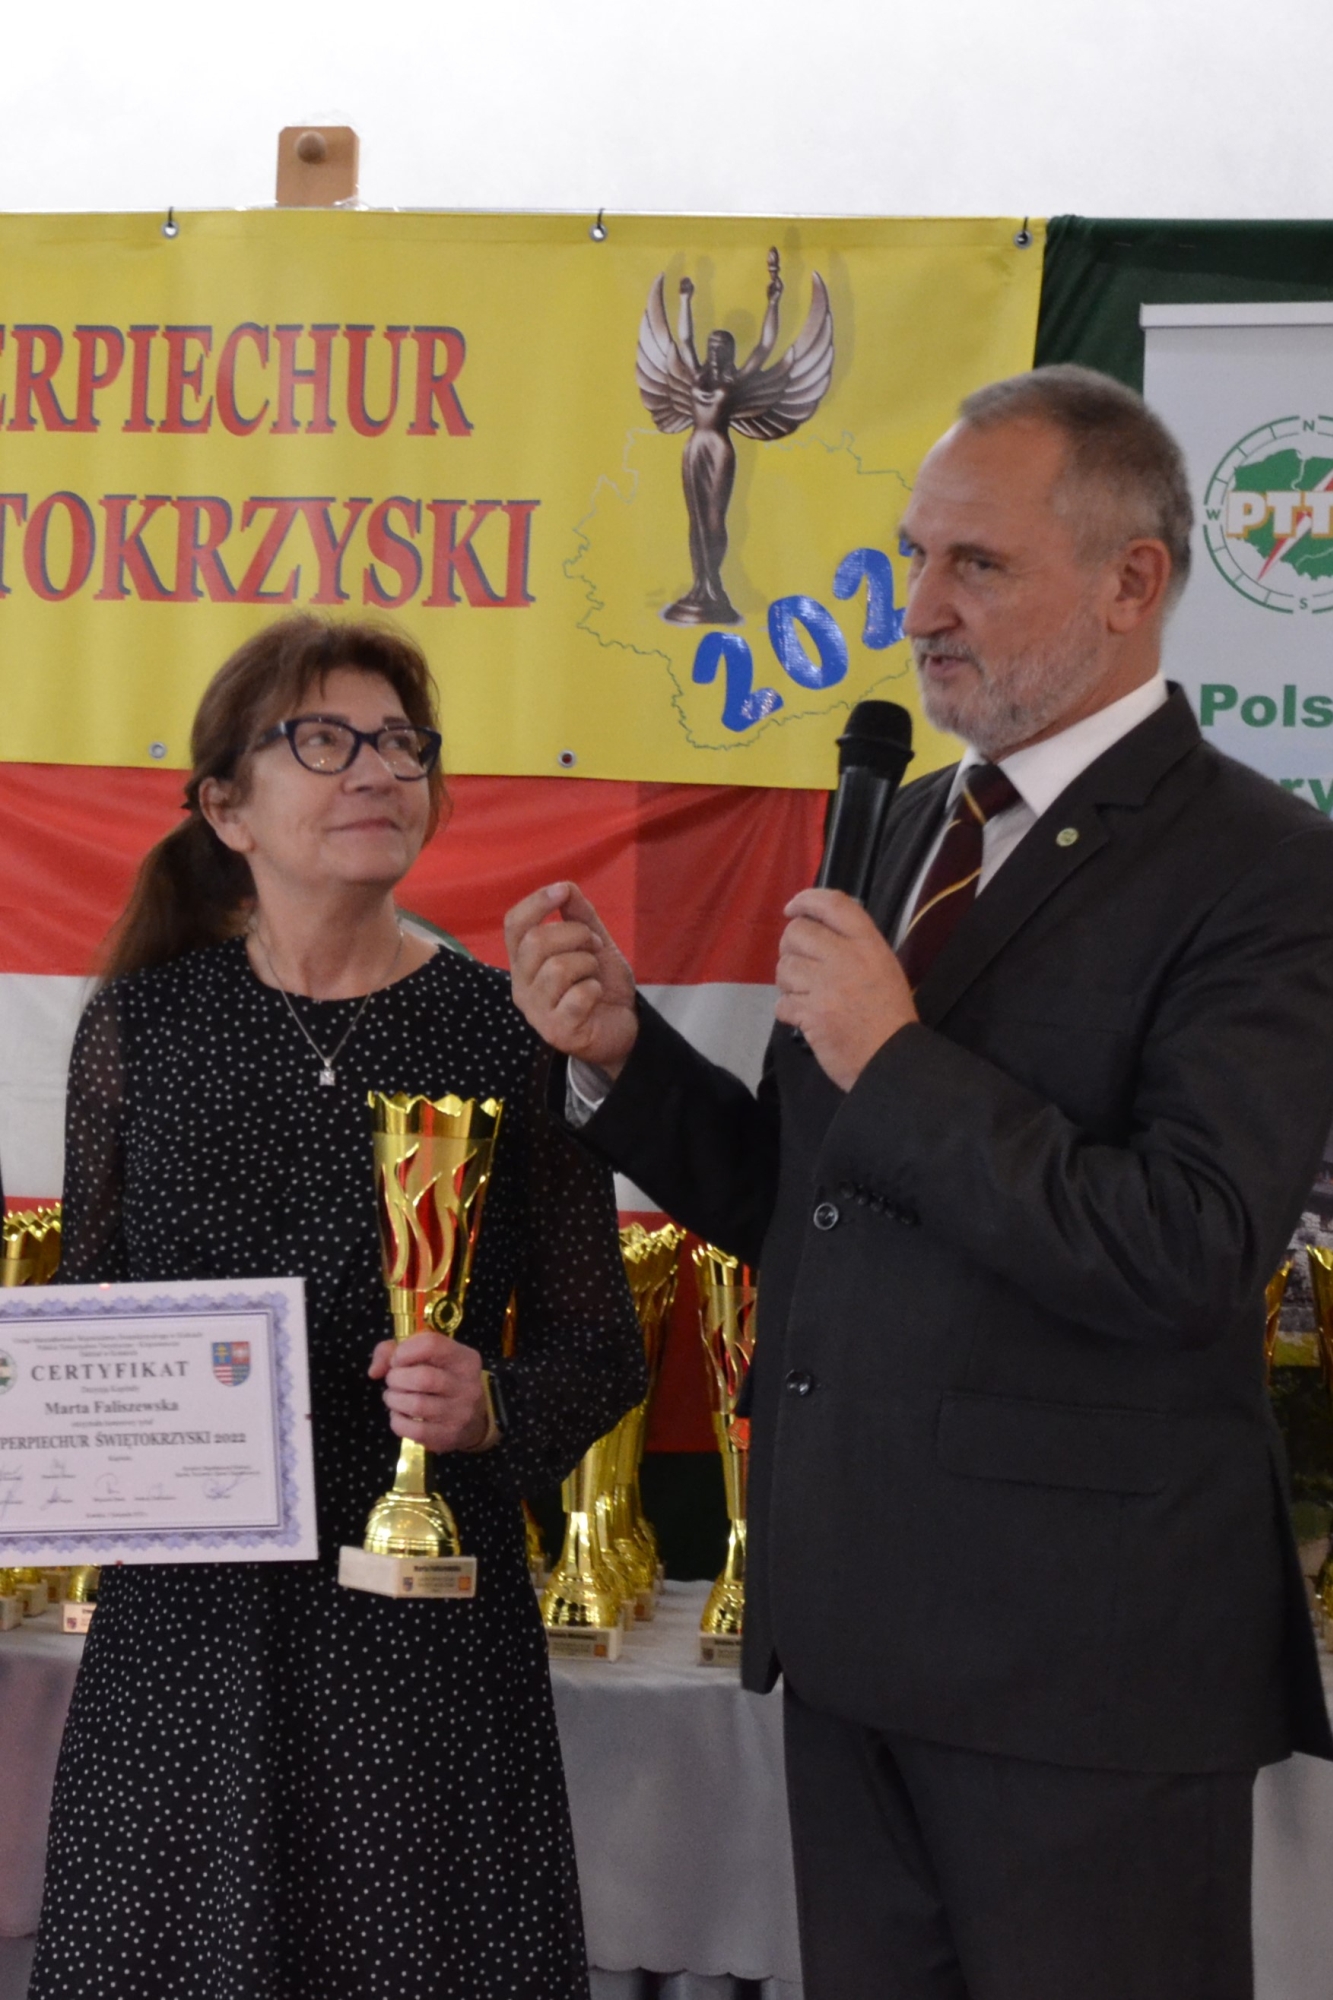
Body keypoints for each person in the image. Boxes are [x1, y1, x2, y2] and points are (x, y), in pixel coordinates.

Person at [505, 365, 1333, 2000]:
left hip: (1083, 1672)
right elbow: (806, 1197)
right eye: (909, 556)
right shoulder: (904, 828)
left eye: (976, 563)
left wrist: (894, 1058)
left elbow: (1183, 1246)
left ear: (1130, 582)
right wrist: (622, 1058)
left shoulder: (1263, 870)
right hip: (853, 1637)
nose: (919, 607)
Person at [32, 614, 645, 2000]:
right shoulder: (143, 1030)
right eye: (323, 740)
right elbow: (82, 1329)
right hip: (184, 1657)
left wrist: (492, 1407)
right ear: (226, 809)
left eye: (400, 743)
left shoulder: (507, 1028)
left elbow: (601, 1347)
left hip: (418, 1646)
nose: (376, 769)